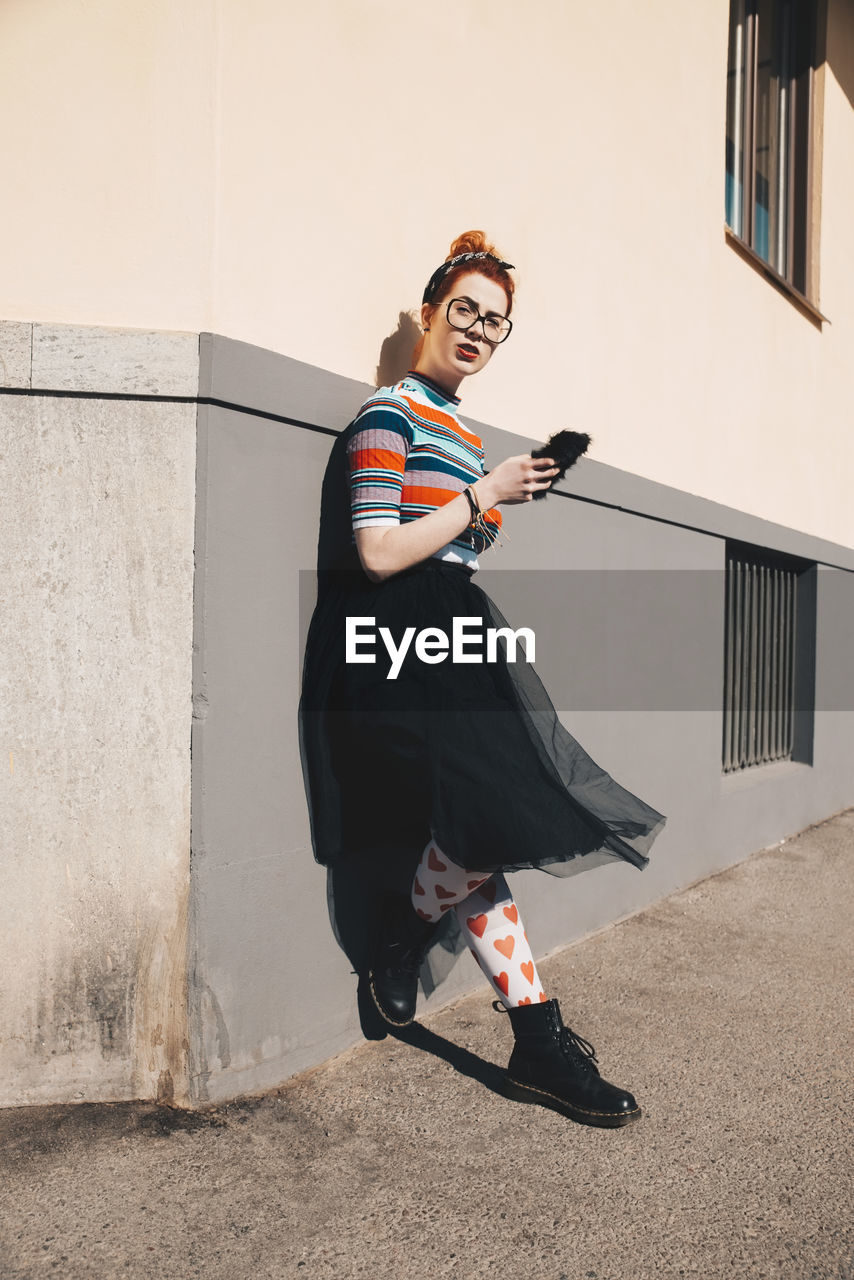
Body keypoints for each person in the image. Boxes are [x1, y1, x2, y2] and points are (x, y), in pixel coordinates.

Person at [298, 231, 666, 1129]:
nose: (476, 330)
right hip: (391, 641)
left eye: (494, 323)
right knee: (485, 819)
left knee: (485, 822)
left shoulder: (462, 434)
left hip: (451, 633)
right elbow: (380, 552)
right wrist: (482, 495)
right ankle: (532, 1031)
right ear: (430, 311)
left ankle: (420, 948)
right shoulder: (390, 416)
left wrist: (495, 496)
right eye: (463, 309)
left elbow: (450, 543)